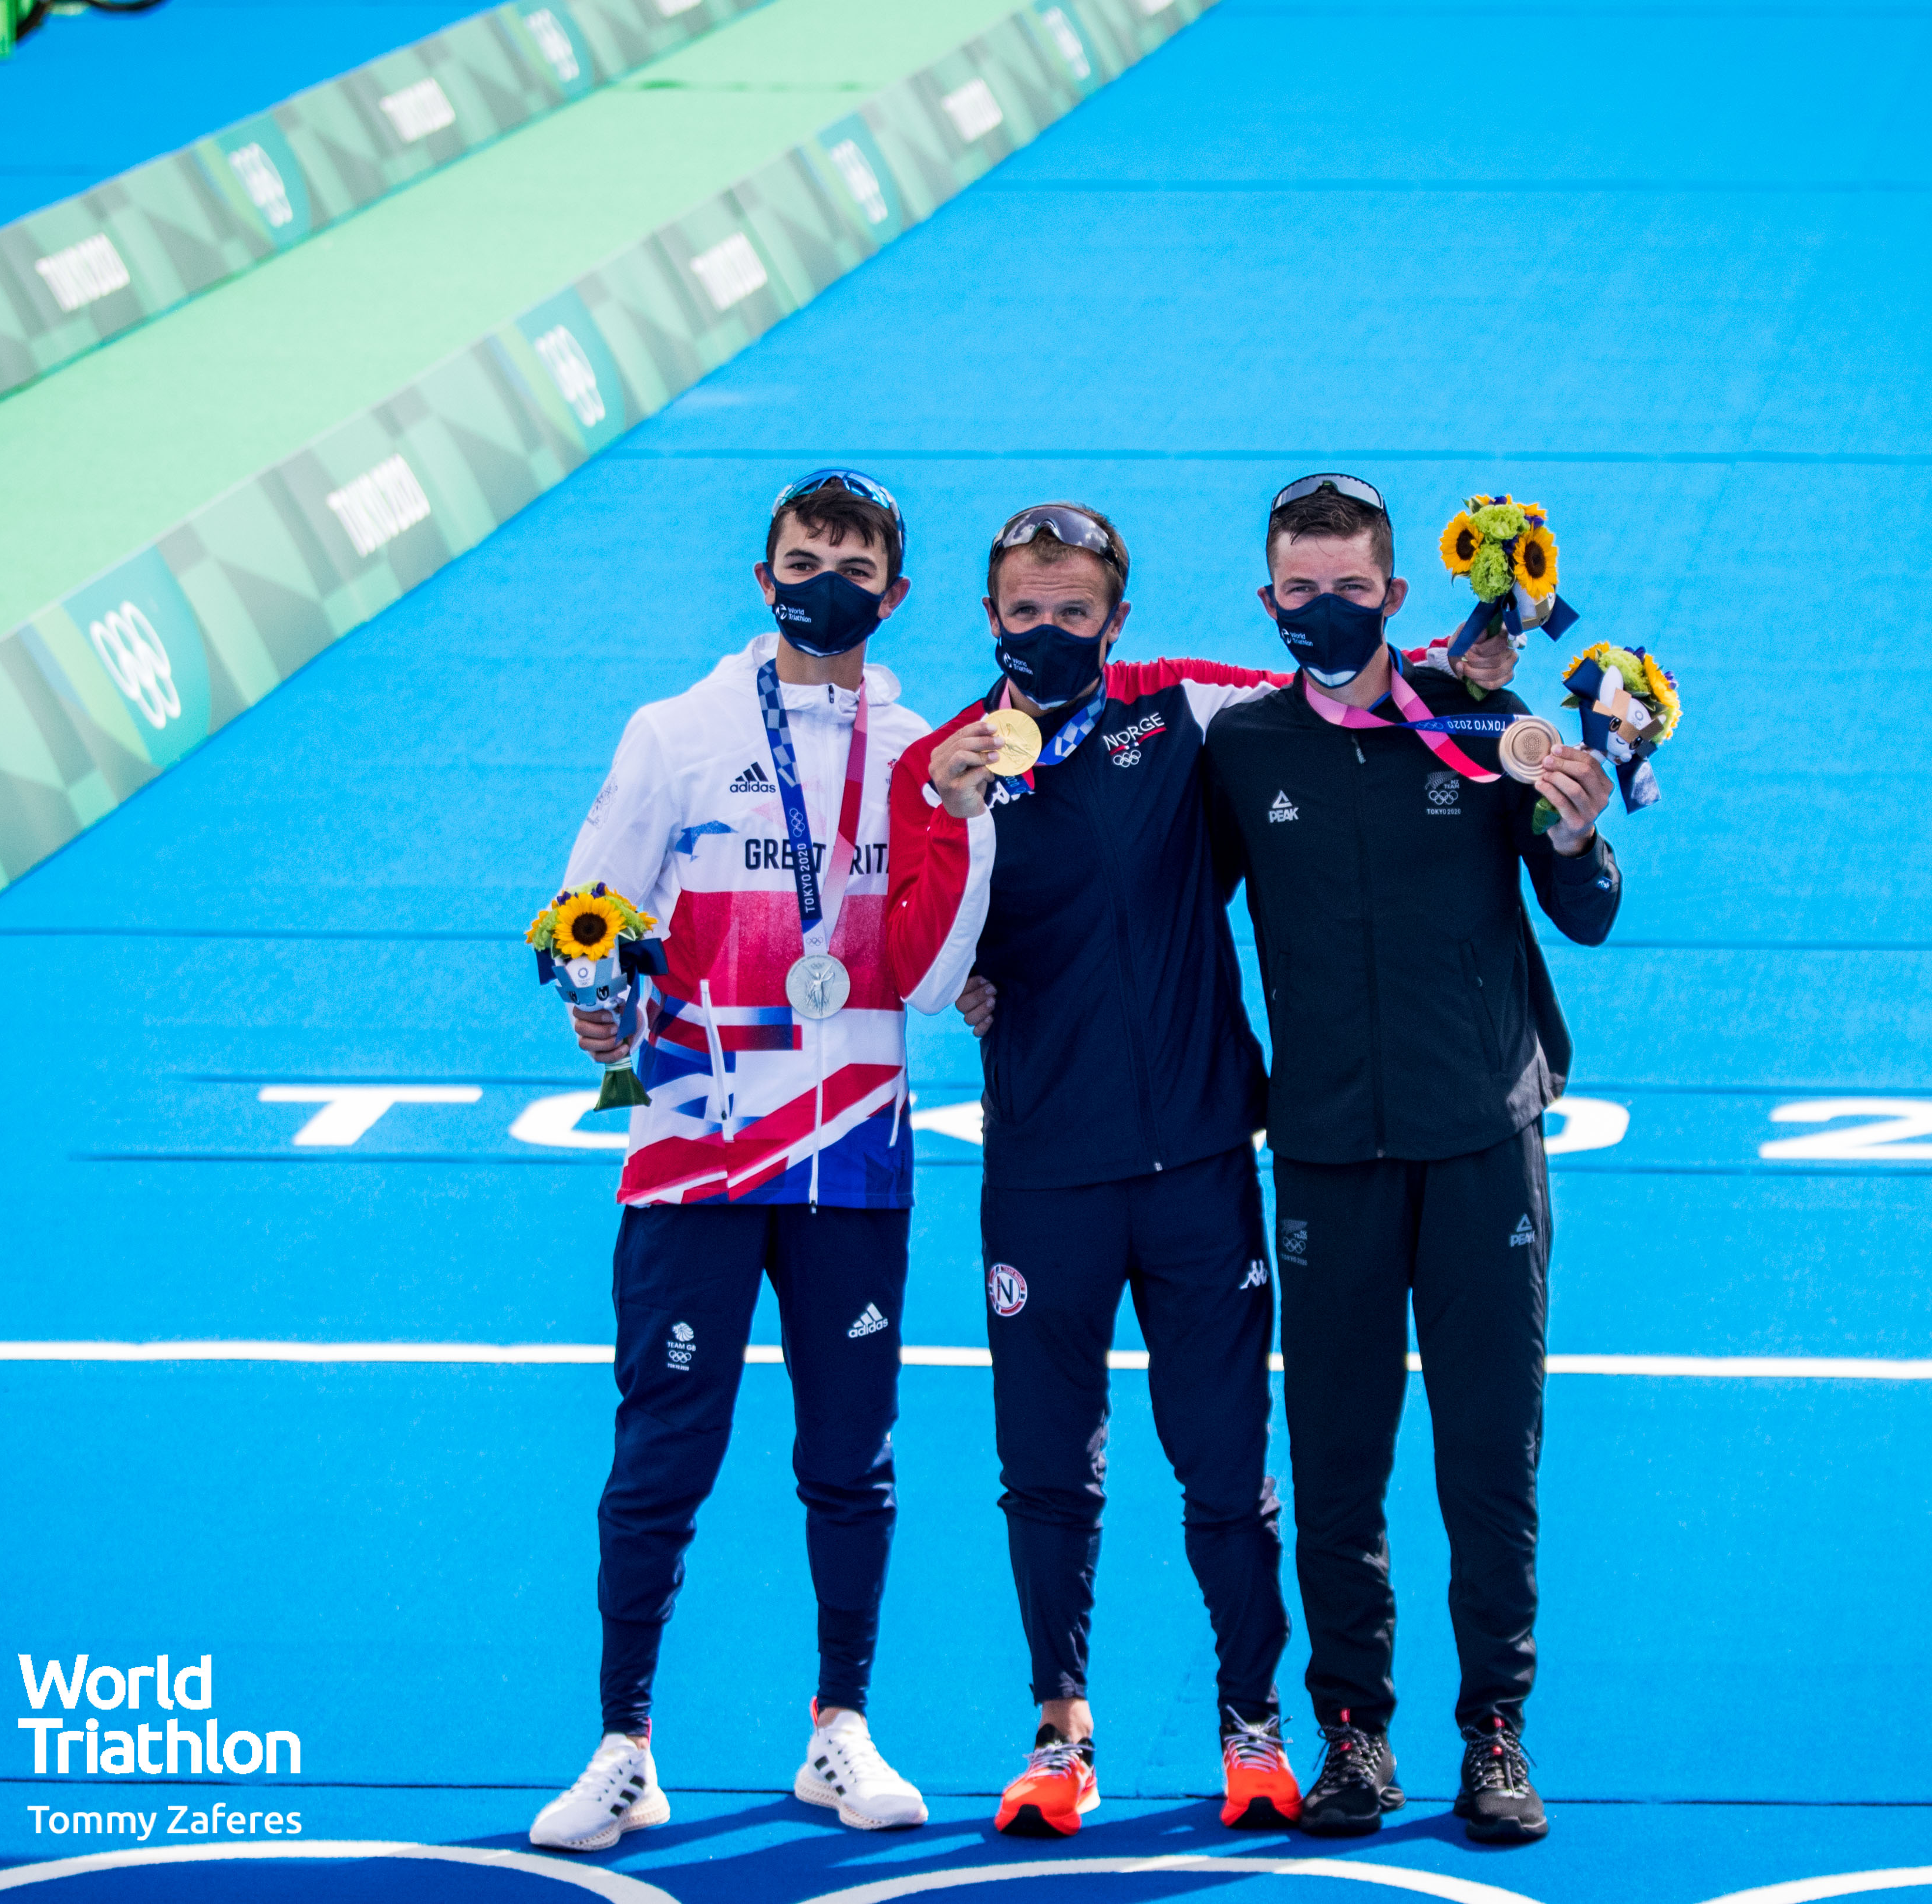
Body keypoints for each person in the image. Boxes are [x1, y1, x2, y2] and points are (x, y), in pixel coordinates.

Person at [884, 502, 1516, 1839]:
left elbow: (1349, 702)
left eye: (1072, 611)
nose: (1044, 631)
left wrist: (1477, 679)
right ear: (988, 617)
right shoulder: (942, 760)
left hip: (1197, 1165)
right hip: (1044, 1170)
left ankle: (1253, 1725)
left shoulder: (1183, 711)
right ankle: (1060, 1736)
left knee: (1227, 1467)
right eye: (1020, 611)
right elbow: (927, 978)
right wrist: (953, 821)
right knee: (1046, 1468)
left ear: (1117, 621)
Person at [527, 470, 983, 1851]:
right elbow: (580, 921)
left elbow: (949, 931)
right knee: (663, 1450)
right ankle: (623, 1745)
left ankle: (838, 1726)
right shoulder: (677, 731)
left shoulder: (923, 749)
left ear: (893, 594)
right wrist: (596, 1004)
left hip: (853, 1149)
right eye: (802, 555)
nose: (824, 578)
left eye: (852, 562)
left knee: (852, 1455)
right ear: (763, 573)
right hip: (696, 1148)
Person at [1200, 474, 1621, 1846]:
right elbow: (1146, 905)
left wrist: (1570, 825)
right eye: (1299, 591)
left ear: (1395, 592)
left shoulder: (1483, 730)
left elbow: (1587, 904)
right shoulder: (1247, 750)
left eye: (1350, 586)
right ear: (1269, 604)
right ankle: (1355, 1735)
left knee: (1489, 1453)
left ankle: (1494, 1729)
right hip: (1325, 1150)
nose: (1325, 610)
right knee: (1336, 1456)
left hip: (1482, 1142)